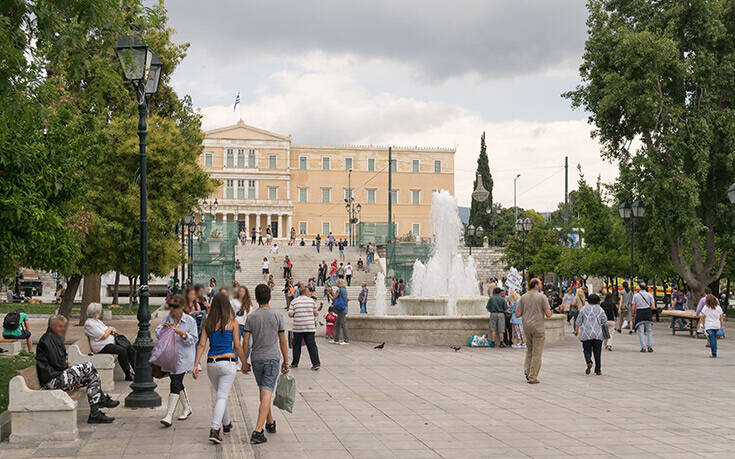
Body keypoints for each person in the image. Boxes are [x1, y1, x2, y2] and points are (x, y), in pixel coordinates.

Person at [36, 315, 119, 423]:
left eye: (64, 326)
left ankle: (95, 413)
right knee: (88, 367)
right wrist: (70, 372)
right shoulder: (47, 339)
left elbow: (58, 361)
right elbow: (57, 363)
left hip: (58, 376)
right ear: (52, 326)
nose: (63, 329)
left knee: (91, 377)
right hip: (52, 380)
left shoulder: (53, 338)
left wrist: (71, 375)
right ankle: (101, 402)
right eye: (60, 326)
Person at [193, 292, 248, 444]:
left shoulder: (207, 323)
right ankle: (215, 428)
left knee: (220, 395)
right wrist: (244, 363)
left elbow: (202, 345)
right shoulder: (233, 322)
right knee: (222, 396)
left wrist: (196, 364)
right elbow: (237, 346)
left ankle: (226, 423)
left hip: (211, 364)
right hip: (228, 362)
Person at [243, 284, 290, 444]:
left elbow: (246, 342)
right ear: (269, 296)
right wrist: (286, 360)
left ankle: (270, 422)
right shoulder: (277, 316)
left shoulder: (251, 317)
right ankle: (257, 430)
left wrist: (244, 361)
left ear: (256, 298)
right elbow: (283, 340)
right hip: (272, 358)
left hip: (257, 359)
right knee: (267, 392)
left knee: (264, 391)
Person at [156, 294, 198, 427]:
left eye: (175, 307)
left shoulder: (190, 321)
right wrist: (163, 329)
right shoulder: (167, 318)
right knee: (176, 382)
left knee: (175, 382)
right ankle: (187, 408)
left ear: (182, 307)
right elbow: (158, 333)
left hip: (184, 357)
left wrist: (182, 333)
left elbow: (194, 339)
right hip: (170, 356)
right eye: (171, 307)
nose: (172, 310)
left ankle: (169, 415)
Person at [84, 302, 135, 381]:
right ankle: (128, 374)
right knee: (122, 351)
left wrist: (111, 329)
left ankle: (136, 370)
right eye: (99, 311)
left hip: (109, 343)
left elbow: (107, 329)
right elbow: (103, 335)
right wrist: (110, 329)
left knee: (129, 347)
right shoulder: (89, 324)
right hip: (101, 346)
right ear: (96, 312)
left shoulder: (97, 321)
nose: (100, 312)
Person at [515, 278, 552, 384]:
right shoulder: (542, 297)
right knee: (537, 353)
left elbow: (517, 314)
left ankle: (527, 371)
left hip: (527, 327)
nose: (541, 285)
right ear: (536, 285)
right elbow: (548, 314)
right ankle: (533, 376)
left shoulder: (523, 297)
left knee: (529, 350)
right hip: (538, 327)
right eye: (540, 283)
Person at [288, 286, 321, 370]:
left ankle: (295, 363)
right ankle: (316, 363)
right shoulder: (311, 301)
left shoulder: (294, 301)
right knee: (311, 345)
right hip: (309, 327)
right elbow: (316, 313)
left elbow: (290, 314)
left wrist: (297, 313)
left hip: (298, 327)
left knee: (296, 346)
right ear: (306, 292)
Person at [574, 293, 607, 375]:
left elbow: (578, 321)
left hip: (586, 333)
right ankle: (598, 369)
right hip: (597, 333)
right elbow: (604, 320)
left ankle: (589, 361)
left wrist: (576, 331)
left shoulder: (583, 309)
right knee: (597, 352)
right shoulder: (600, 309)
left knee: (586, 350)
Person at [698, 294, 724, 358]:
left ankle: (714, 353)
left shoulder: (706, 307)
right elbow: (721, 318)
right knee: (713, 339)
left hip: (709, 326)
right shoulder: (718, 308)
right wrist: (722, 326)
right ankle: (714, 351)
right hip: (717, 326)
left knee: (712, 340)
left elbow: (702, 317)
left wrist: (699, 324)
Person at [632, 282, 656, 353]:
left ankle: (643, 347)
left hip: (640, 313)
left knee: (641, 332)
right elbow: (653, 307)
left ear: (639, 287)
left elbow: (633, 306)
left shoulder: (635, 296)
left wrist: (633, 314)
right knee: (649, 331)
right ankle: (650, 347)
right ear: (646, 287)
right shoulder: (650, 295)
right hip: (648, 313)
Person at [330, 279, 349, 344]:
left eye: (337, 283)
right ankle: (336, 339)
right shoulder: (345, 290)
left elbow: (333, 298)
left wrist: (329, 293)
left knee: (343, 324)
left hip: (340, 309)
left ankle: (346, 340)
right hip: (344, 307)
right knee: (337, 324)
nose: (336, 284)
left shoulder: (339, 290)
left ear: (340, 283)